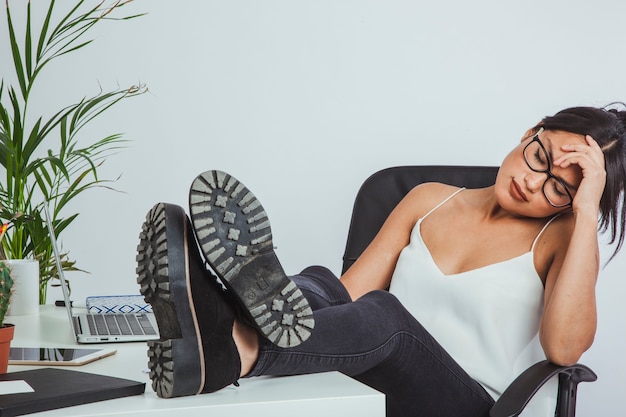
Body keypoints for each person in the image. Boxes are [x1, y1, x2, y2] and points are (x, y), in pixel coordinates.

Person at [135, 104, 626, 417]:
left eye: (560, 187)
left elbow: (564, 352)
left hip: (480, 406)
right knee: (320, 286)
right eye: (540, 156)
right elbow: (342, 300)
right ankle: (216, 315)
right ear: (530, 131)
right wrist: (315, 297)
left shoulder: (563, 236)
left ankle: (231, 346)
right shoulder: (427, 197)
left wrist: (585, 214)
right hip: (378, 388)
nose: (533, 181)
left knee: (385, 316)